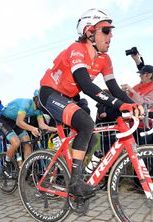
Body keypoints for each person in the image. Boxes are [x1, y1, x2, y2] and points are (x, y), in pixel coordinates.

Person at [39, 8, 144, 198]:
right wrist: (120, 106)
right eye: (105, 31)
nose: (111, 35)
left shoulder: (104, 59)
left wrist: (137, 106)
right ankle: (74, 183)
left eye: (111, 31)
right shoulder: (76, 50)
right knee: (86, 123)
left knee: (92, 138)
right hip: (50, 93)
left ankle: (71, 171)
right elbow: (86, 86)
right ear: (89, 32)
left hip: (69, 97)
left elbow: (115, 89)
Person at [0, 90, 57, 170]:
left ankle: (25, 169)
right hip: (5, 121)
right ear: (36, 99)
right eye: (41, 101)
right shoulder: (27, 103)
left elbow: (42, 125)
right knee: (16, 143)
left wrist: (56, 129)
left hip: (16, 121)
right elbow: (19, 122)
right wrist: (32, 128)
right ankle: (6, 162)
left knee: (27, 142)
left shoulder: (39, 111)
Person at [121, 65, 153, 145]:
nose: (140, 75)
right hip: (133, 124)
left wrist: (132, 91)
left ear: (149, 75)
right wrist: (124, 93)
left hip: (146, 125)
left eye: (142, 74)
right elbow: (128, 102)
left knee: (145, 151)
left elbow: (146, 104)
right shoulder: (136, 87)